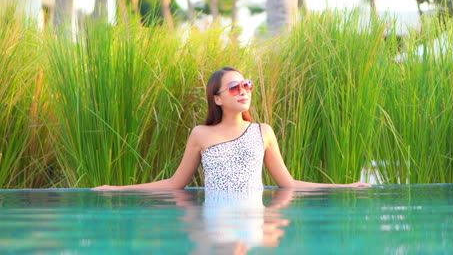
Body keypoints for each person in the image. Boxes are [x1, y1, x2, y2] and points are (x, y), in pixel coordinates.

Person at [92, 66, 370, 191]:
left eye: (246, 84)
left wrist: (345, 186)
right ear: (217, 98)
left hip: (254, 220)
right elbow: (175, 184)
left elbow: (289, 184)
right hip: (215, 222)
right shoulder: (200, 134)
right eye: (234, 87)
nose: (243, 90)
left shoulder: (263, 132)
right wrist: (116, 188)